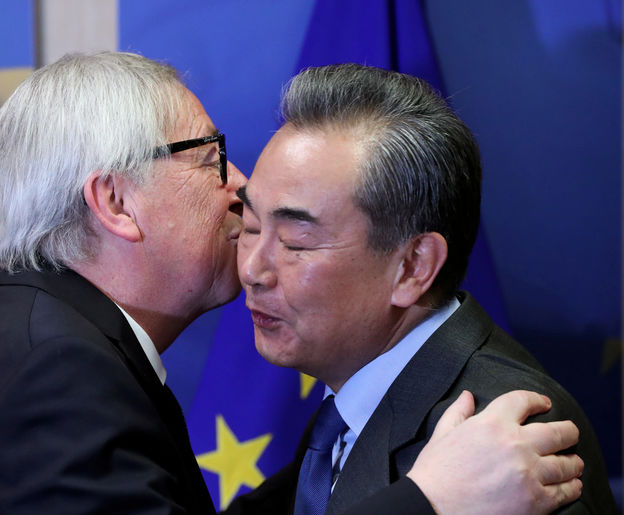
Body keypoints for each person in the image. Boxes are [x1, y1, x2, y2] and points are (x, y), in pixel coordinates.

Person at [0, 53, 583, 514]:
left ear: (411, 265)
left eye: (299, 233)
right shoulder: (57, 373)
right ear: (116, 203)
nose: (238, 185)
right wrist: (429, 502)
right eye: (210, 157)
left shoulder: (514, 433)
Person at [233, 63, 616, 514]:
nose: (252, 270)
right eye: (252, 226)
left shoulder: (511, 441)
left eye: (296, 242)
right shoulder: (345, 414)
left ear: (414, 266)